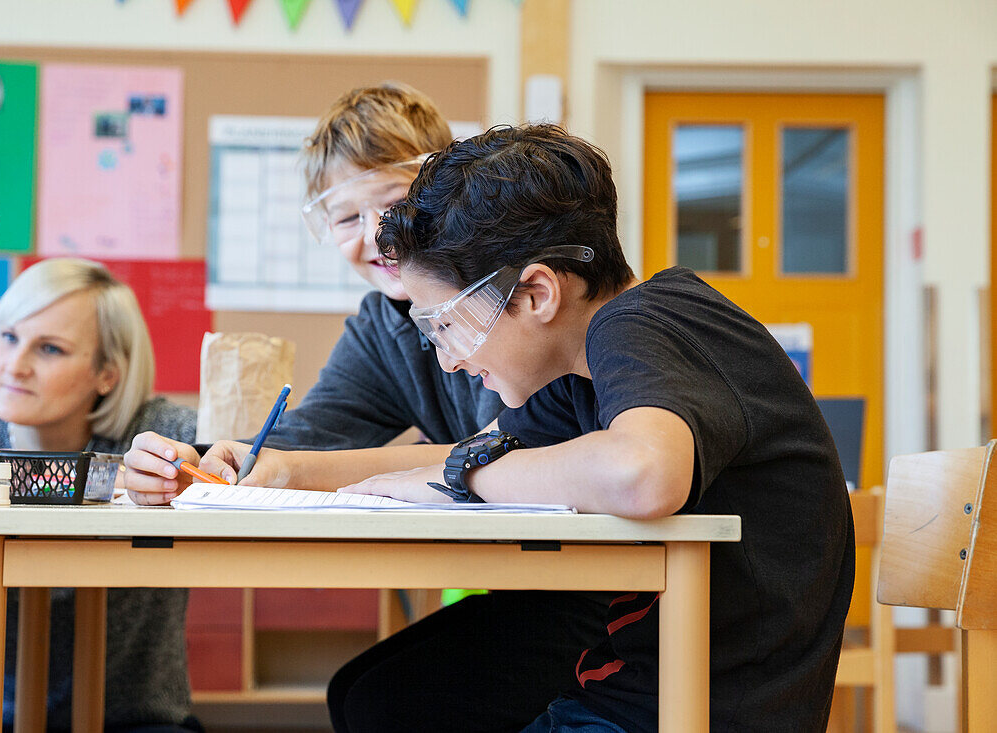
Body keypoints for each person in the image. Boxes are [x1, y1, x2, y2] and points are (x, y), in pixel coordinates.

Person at [124, 84, 614, 732]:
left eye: (395, 204)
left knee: (382, 702)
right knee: (355, 690)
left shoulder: (520, 303)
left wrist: (317, 468)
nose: (377, 235)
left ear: (447, 198)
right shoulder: (384, 325)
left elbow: (519, 444)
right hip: (534, 585)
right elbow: (306, 439)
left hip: (613, 592)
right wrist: (212, 458)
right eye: (347, 218)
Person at [345, 123, 855, 731]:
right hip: (626, 700)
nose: (449, 357)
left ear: (536, 293)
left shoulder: (644, 323)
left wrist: (470, 473)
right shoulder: (580, 371)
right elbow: (464, 455)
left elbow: (641, 475)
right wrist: (281, 469)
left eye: (447, 325)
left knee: (393, 704)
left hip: (694, 714)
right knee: (383, 698)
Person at [0, 258, 200, 732]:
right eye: (8, 337)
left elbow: (249, 467)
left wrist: (173, 476)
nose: (15, 366)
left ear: (107, 373)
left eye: (49, 348)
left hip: (139, 721)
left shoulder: (157, 434)